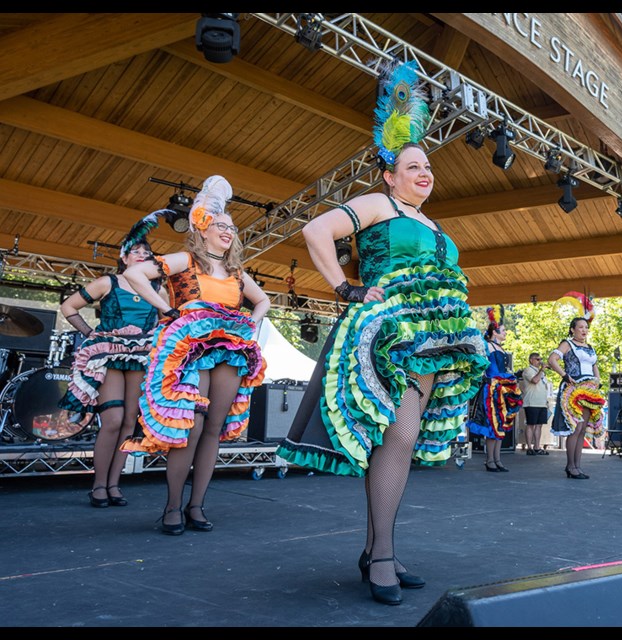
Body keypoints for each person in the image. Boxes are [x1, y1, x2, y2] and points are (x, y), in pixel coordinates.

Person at [274, 60, 489, 606]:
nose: (425, 173)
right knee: (398, 434)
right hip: (389, 334)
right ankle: (383, 556)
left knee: (402, 439)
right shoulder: (379, 204)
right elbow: (315, 229)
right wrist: (345, 288)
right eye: (414, 166)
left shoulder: (435, 225)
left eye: (429, 168)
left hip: (433, 340)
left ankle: (378, 551)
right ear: (390, 174)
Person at [120, 175, 270, 534]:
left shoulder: (236, 272)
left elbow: (263, 300)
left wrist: (250, 323)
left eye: (231, 227)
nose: (227, 231)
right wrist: (165, 309)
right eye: (220, 224)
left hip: (231, 350)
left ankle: (197, 506)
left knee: (214, 429)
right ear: (202, 229)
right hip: (190, 349)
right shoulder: (186, 259)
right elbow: (135, 272)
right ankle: (172, 507)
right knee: (193, 425)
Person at [59, 211, 164, 508]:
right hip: (109, 356)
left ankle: (114, 485)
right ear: (124, 257)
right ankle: (98, 485)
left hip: (141, 358)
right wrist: (92, 334)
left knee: (130, 421)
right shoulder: (108, 282)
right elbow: (69, 306)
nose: (142, 255)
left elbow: (167, 321)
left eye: (147, 252)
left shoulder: (158, 289)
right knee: (114, 419)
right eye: (136, 251)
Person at [548, 294, 605, 480]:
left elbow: (595, 367)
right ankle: (570, 466)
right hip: (573, 390)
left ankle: (577, 466)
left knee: (582, 430)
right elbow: (552, 359)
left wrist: (597, 383)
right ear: (572, 329)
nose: (584, 330)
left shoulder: (590, 348)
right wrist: (565, 376)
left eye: (586, 327)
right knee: (575, 428)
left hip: (589, 390)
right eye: (580, 327)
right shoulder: (567, 343)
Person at [467, 308, 523, 472]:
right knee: (493, 424)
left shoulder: (501, 348)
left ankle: (497, 459)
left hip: (503, 388)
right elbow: (480, 365)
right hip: (492, 389)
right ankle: (490, 460)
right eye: (503, 330)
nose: (506, 333)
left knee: (501, 424)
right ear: (495, 332)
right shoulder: (487, 347)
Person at [520, 351, 550, 456]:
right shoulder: (528, 370)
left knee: (539, 425)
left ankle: (537, 446)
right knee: (531, 424)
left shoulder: (541, 372)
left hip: (542, 402)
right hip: (531, 402)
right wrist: (542, 369)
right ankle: (529, 447)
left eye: (540, 359)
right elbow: (535, 380)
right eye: (537, 359)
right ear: (531, 360)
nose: (540, 361)